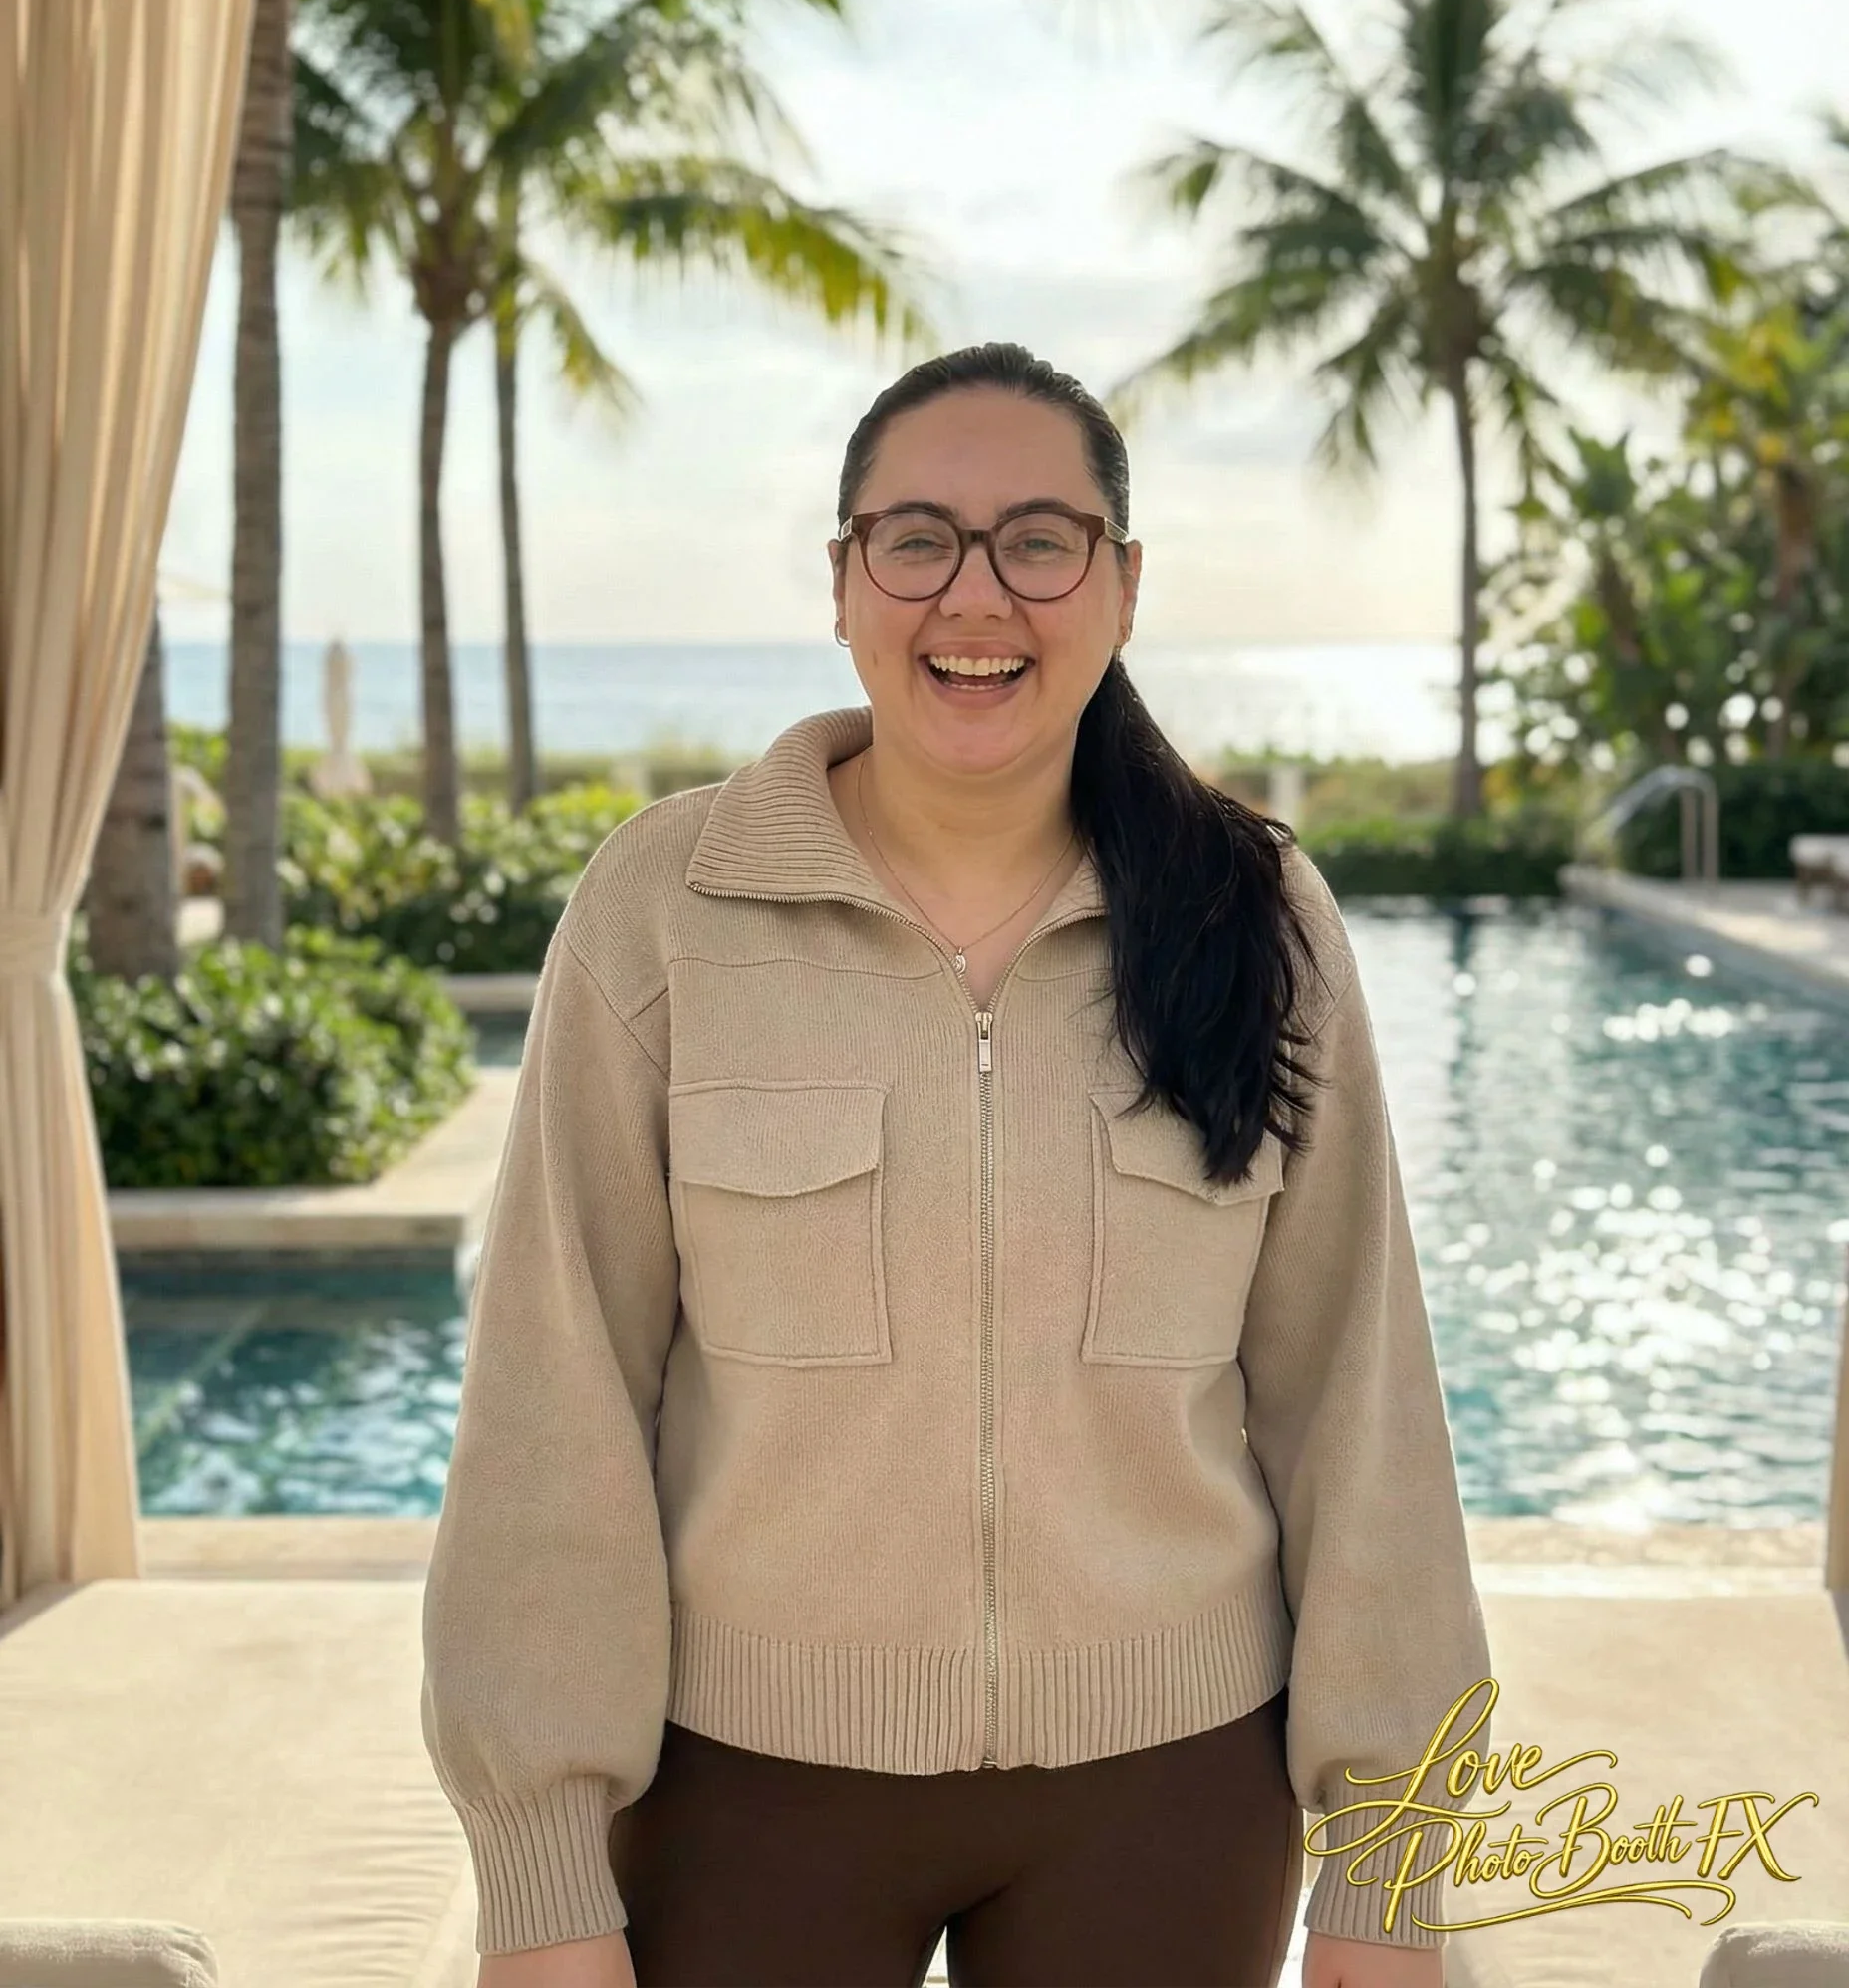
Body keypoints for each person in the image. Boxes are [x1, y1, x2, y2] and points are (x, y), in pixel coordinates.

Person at [422, 342, 1493, 1988]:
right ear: (843, 585)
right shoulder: (667, 910)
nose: (975, 596)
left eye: (1040, 540)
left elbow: (1360, 1398)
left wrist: (1392, 1858)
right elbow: (554, 1392)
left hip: (1173, 1788)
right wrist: (541, 1860)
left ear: (1123, 587)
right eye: (915, 539)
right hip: (743, 1791)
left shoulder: (1255, 917)